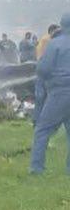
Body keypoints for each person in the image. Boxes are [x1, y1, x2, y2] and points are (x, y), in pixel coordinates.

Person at [29, 13, 70, 175]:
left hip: (59, 93)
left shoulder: (55, 44)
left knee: (42, 130)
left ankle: (36, 169)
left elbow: (43, 69)